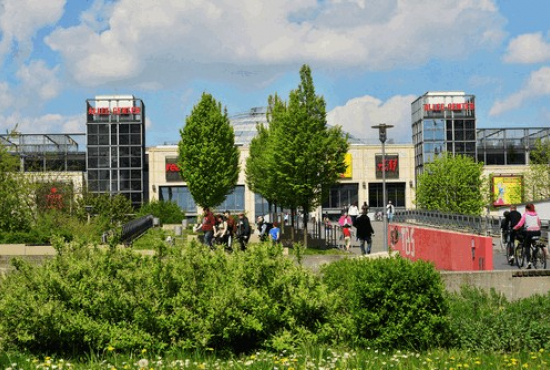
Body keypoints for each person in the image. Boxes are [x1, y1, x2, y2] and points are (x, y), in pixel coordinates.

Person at [513, 203, 542, 269]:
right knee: (535, 244)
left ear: (526, 208)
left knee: (527, 246)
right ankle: (535, 254)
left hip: (529, 232)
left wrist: (514, 228)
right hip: (537, 232)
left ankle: (528, 262)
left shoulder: (525, 215)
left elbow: (520, 224)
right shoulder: (536, 215)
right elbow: (539, 223)